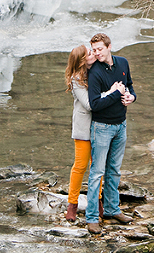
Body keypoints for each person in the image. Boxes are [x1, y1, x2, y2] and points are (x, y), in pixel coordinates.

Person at [85, 32, 136, 234]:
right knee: (97, 173)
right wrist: (116, 93)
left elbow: (130, 86)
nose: (97, 53)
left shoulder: (122, 63)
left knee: (114, 170)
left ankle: (112, 210)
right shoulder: (95, 72)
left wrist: (131, 97)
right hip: (102, 127)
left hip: (121, 125)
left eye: (100, 49)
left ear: (109, 47)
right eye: (94, 50)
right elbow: (95, 105)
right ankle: (91, 218)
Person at [64, 44, 96, 222]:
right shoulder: (77, 79)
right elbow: (90, 104)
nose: (93, 54)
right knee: (80, 166)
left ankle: (97, 202)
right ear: (83, 60)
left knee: (97, 167)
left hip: (99, 127)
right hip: (83, 129)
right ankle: (72, 204)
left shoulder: (96, 71)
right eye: (90, 53)